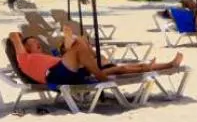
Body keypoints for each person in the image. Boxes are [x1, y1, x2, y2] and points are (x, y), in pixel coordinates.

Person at [11, 30, 181, 87]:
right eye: (33, 43)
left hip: (70, 72)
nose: (38, 43)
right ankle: (101, 75)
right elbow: (13, 36)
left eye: (37, 41)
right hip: (55, 76)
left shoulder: (45, 57)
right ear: (25, 48)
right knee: (79, 45)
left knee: (119, 68)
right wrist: (20, 37)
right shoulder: (24, 58)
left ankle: (167, 65)